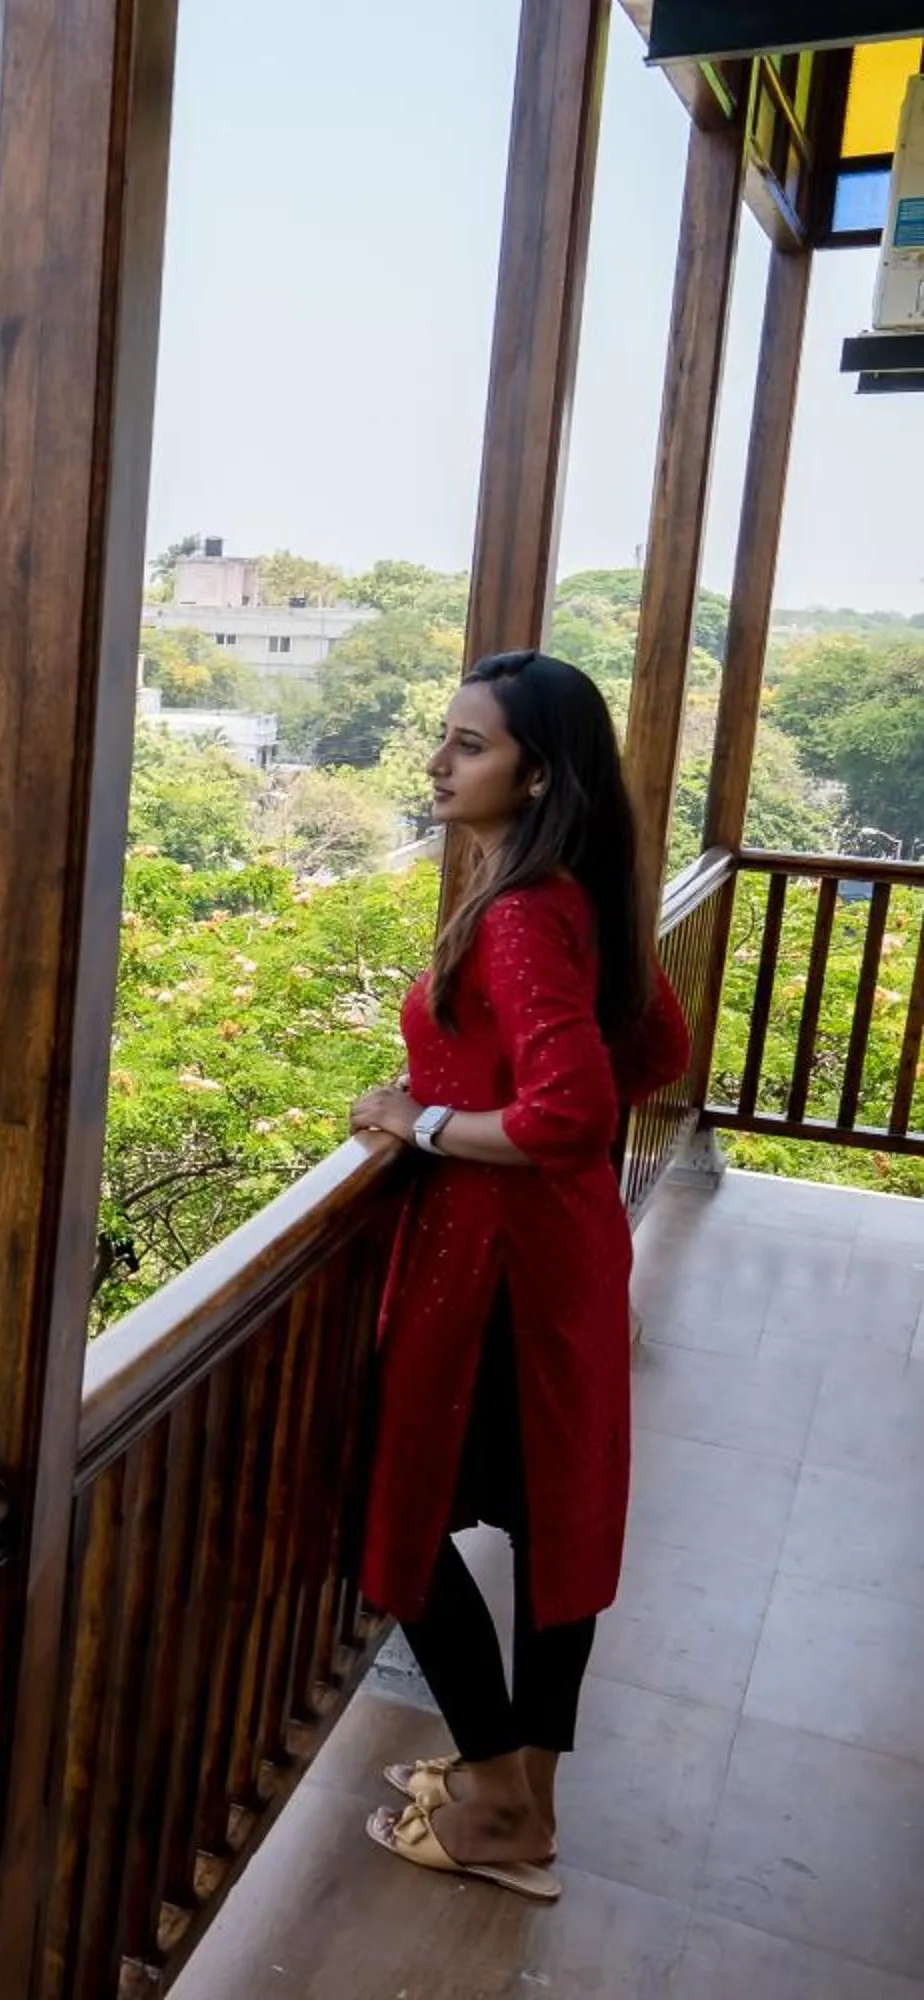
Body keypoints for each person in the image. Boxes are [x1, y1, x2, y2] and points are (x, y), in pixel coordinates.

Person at [345, 650, 689, 1903]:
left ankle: (495, 1797)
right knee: (554, 1521)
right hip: (563, 1250)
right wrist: (499, 1108)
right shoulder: (573, 891)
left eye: (469, 743)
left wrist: (430, 1119)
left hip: (492, 1268)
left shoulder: (519, 914)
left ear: (536, 772)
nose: (438, 761)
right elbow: (657, 1042)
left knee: (395, 1512)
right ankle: (525, 1794)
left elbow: (570, 1111)